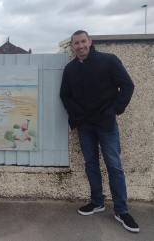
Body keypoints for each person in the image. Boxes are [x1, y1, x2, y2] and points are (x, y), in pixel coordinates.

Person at [60, 30, 139, 233]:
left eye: (83, 41)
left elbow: (127, 85)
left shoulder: (108, 61)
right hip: (84, 125)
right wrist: (75, 112)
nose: (80, 46)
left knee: (114, 166)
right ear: (71, 46)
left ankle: (121, 211)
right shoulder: (70, 69)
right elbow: (65, 95)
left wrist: (115, 110)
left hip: (106, 123)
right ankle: (97, 202)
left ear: (90, 42)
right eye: (76, 43)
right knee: (91, 165)